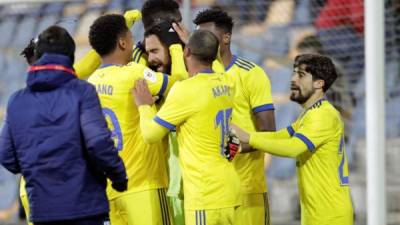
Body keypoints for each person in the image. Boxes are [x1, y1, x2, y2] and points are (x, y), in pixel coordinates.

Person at [0, 25, 127, 225]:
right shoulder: (82, 92)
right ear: (70, 56)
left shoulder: (17, 100)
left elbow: (6, 155)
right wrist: (119, 177)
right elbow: (98, 143)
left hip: (42, 210)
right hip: (86, 208)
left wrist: (35, 171)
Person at [133, 29, 241, 225]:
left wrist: (144, 105)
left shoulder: (185, 90)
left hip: (204, 195)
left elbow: (150, 134)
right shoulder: (227, 82)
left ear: (187, 52)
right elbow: (215, 61)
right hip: (230, 190)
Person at [87, 14, 186, 225]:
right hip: (143, 186)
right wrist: (176, 48)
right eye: (131, 38)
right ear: (122, 43)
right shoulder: (134, 73)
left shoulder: (92, 82)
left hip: (109, 190)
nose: (134, 44)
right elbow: (179, 85)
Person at [232, 54, 354, 225]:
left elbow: (293, 148)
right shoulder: (310, 114)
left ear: (319, 83)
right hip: (315, 213)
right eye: (294, 73)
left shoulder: (323, 116)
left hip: (329, 215)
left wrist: (249, 137)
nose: (293, 79)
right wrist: (242, 144)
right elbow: (280, 135)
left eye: (301, 75)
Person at [190, 8, 276, 225]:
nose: (202, 40)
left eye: (208, 35)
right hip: (211, 193)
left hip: (248, 189)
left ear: (226, 37)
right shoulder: (194, 79)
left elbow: (268, 133)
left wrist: (228, 148)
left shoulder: (251, 74)